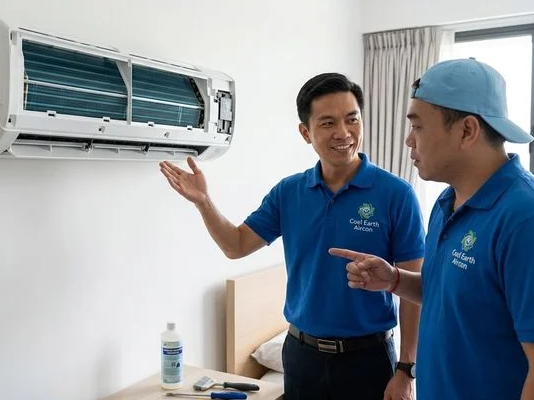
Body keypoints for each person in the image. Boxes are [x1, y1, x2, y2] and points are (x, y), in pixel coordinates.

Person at [330, 58, 534, 400]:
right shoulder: (447, 204)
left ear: (467, 130)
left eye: (417, 126)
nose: (408, 141)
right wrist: (394, 280)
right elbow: (452, 294)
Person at [160, 73, 425, 399]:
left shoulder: (396, 194)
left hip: (368, 359)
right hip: (303, 357)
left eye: (351, 119)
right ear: (305, 132)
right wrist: (203, 202)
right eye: (327, 123)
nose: (343, 133)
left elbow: (415, 286)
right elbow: (236, 245)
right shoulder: (289, 193)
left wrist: (406, 370)